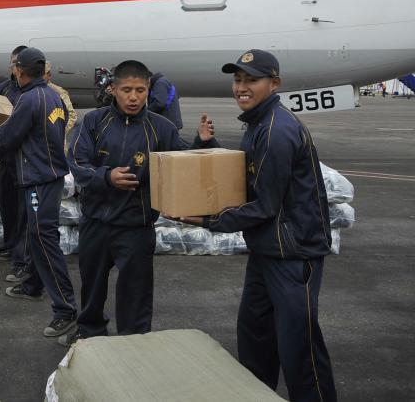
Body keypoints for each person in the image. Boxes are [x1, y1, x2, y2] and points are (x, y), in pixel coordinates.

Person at [180, 49, 337, 401]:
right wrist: (209, 145)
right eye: (238, 79)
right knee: (255, 337)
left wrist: (209, 220)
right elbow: (248, 179)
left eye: (252, 79)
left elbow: (264, 205)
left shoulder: (276, 131)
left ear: (274, 83)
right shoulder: (257, 123)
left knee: (300, 349)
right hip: (268, 249)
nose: (242, 87)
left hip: (293, 255)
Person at [61, 60, 216, 346]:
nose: (133, 97)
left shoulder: (161, 128)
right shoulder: (94, 122)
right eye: (127, 90)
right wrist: (107, 177)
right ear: (114, 89)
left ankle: (134, 344)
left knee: (136, 292)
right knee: (92, 287)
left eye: (141, 90)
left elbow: (180, 163)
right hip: (95, 222)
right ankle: (90, 331)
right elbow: (77, 162)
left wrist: (200, 143)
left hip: (136, 226)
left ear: (148, 90)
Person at [0, 47, 78, 337]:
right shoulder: (54, 95)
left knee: (44, 241)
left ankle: (65, 310)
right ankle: (32, 285)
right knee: (35, 235)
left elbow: (6, 138)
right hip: (50, 176)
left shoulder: (29, 99)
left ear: (20, 70)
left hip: (38, 181)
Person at [0, 46, 30, 284]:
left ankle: (21, 260)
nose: (14, 67)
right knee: (7, 205)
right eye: (12, 63)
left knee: (23, 212)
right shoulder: (6, 89)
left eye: (17, 63)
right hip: (6, 157)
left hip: (23, 161)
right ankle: (10, 245)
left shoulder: (30, 95)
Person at [44, 61, 77, 140]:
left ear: (49, 75)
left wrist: (60, 133)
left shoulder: (58, 92)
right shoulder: (32, 91)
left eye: (42, 74)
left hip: (55, 142)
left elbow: (72, 115)